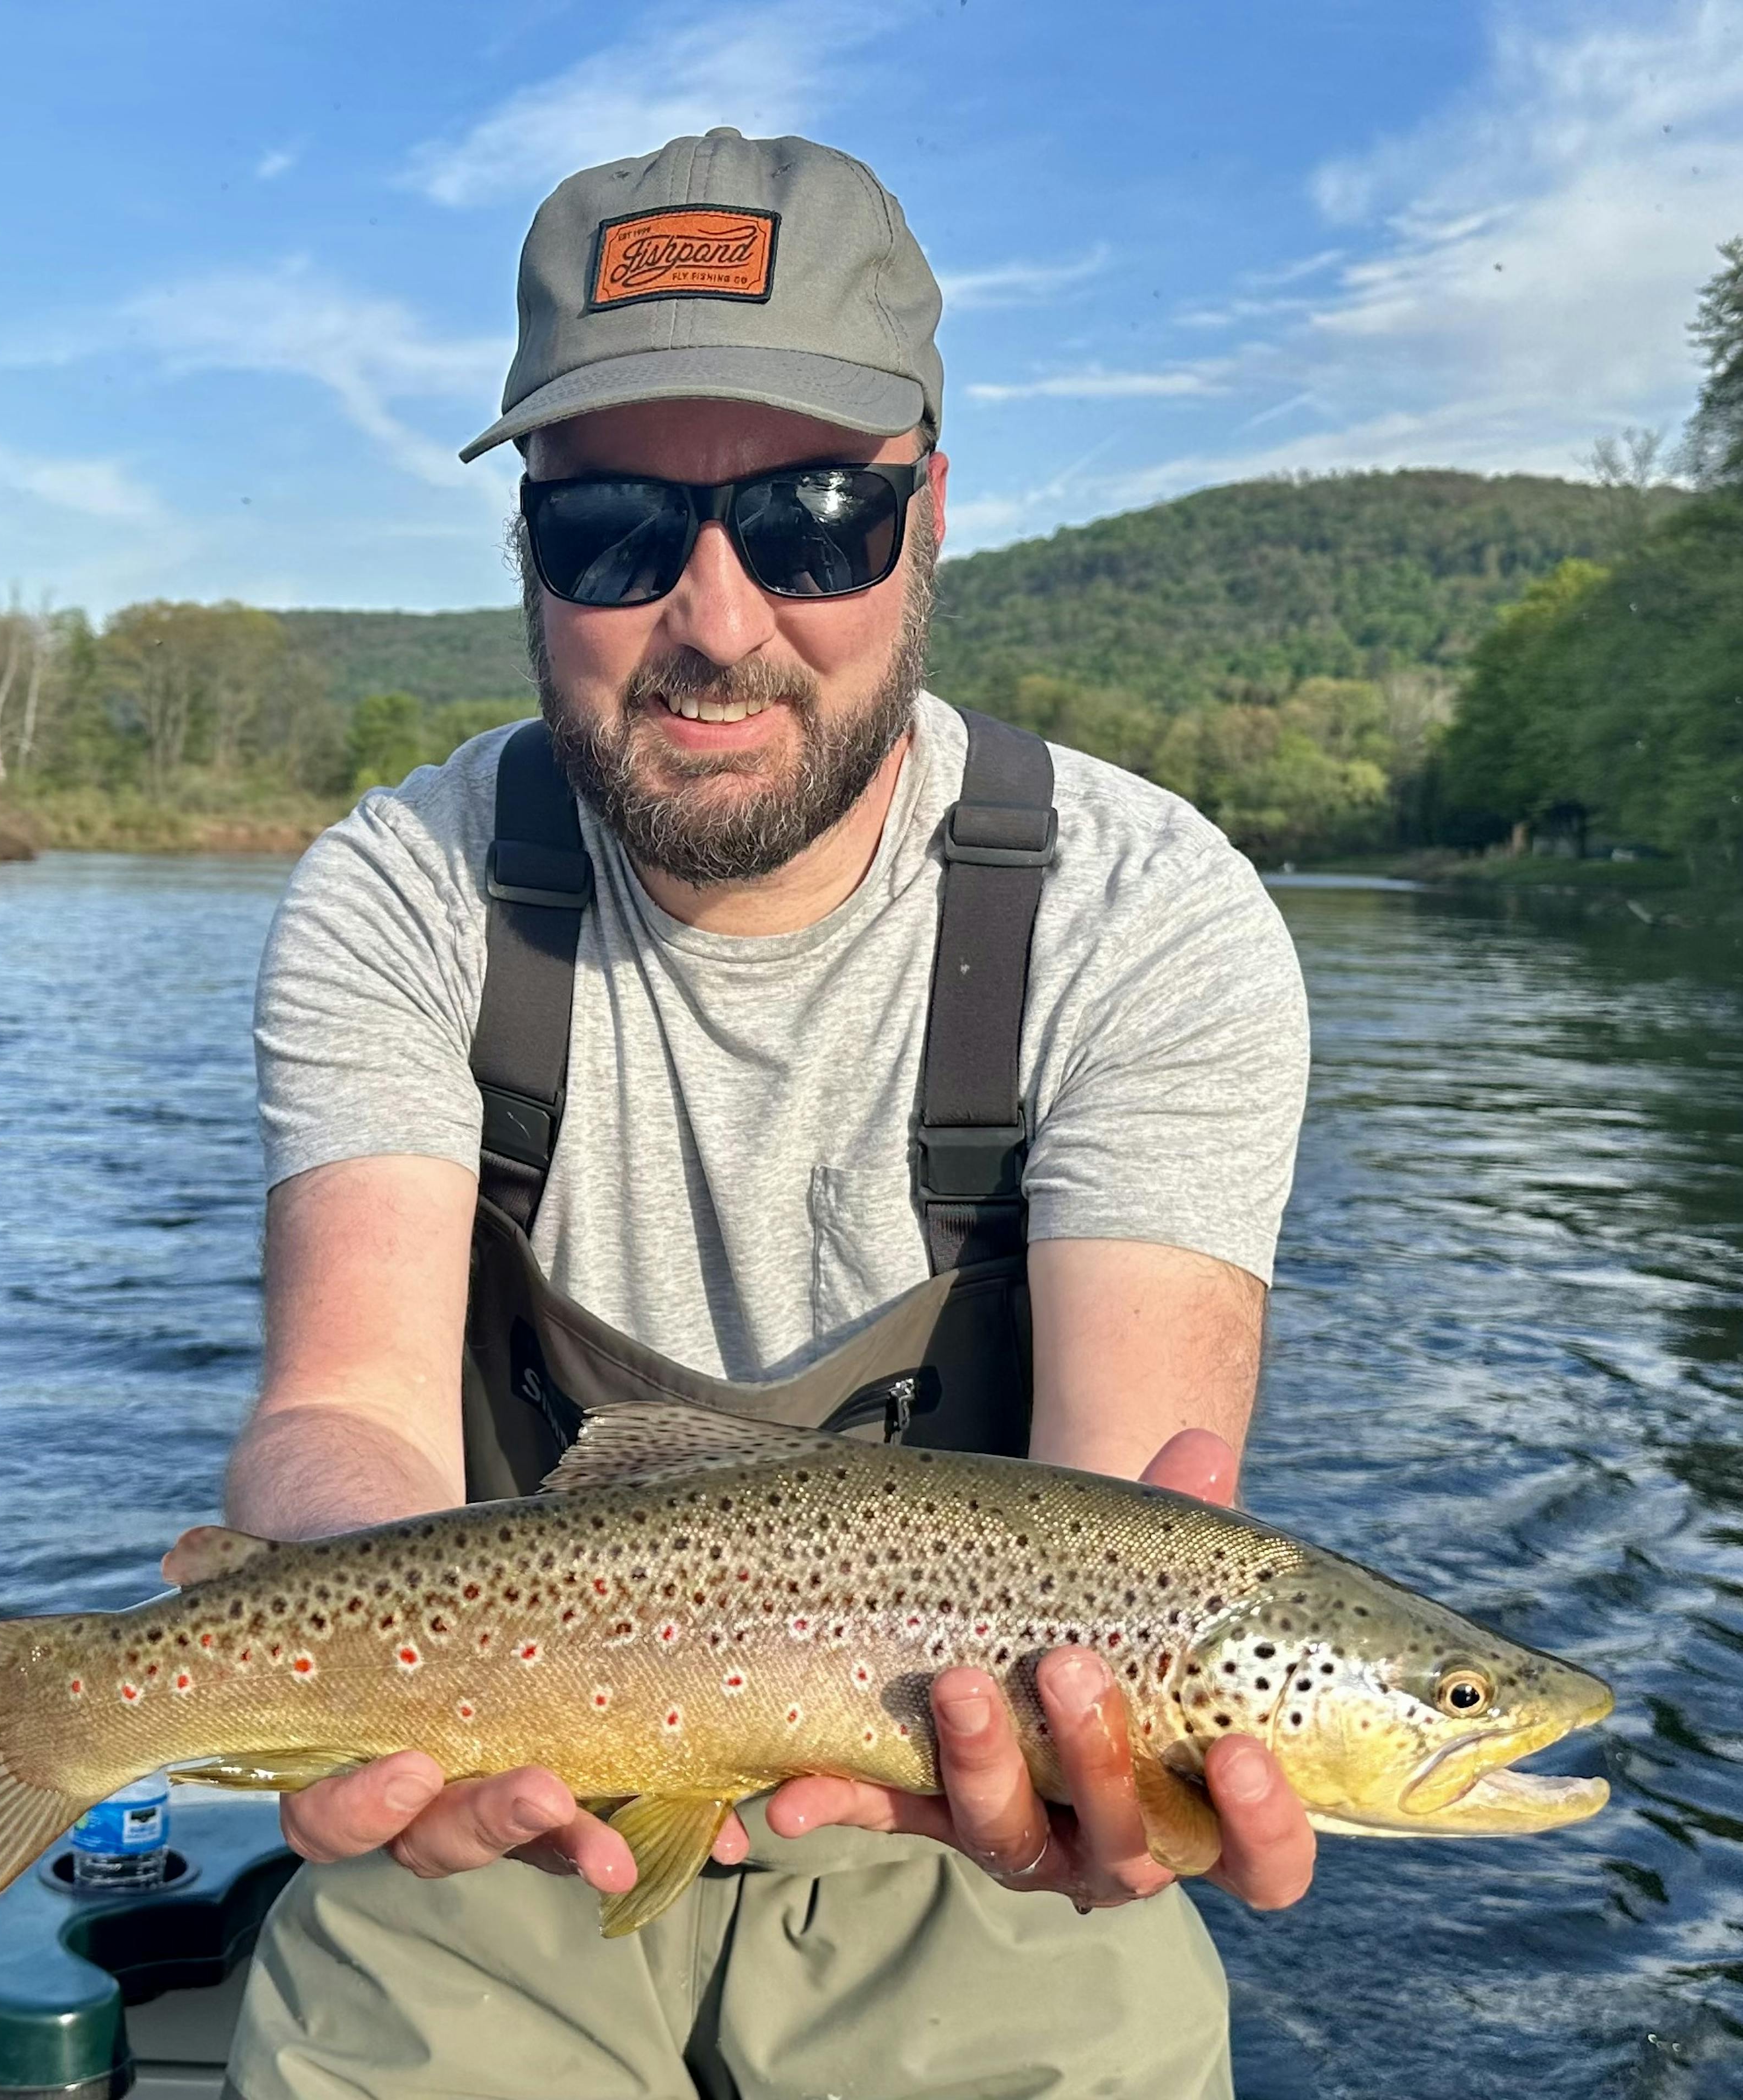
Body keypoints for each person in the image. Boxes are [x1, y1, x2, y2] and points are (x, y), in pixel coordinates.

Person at [200, 127, 1314, 2100]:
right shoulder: (403, 886)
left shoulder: (1151, 912)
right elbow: (344, 1412)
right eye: (615, 528)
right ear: (525, 546)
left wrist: (1099, 1775)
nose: (715, 619)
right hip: (507, 1771)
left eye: (813, 519)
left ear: (933, 515)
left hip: (969, 1836)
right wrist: (403, 1691)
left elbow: (1123, 1507)